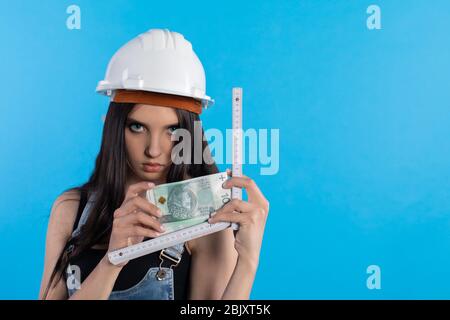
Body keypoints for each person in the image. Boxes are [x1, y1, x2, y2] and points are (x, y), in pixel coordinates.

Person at [38, 29, 269, 300]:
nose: (153, 149)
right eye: (137, 127)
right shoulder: (71, 211)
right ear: (114, 127)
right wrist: (113, 260)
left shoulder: (208, 219)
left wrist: (249, 263)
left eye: (171, 130)